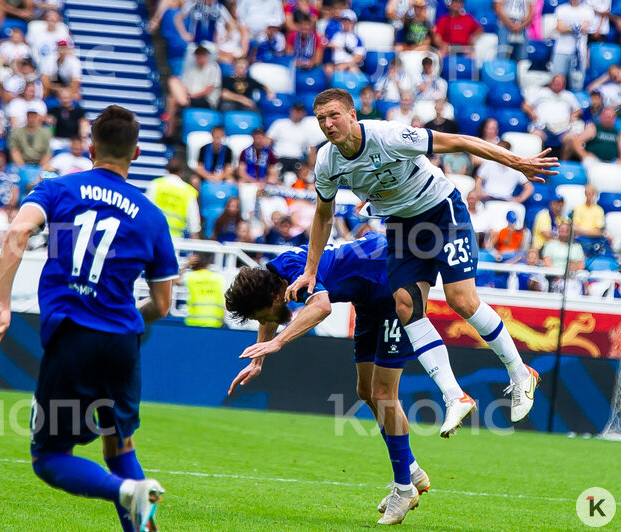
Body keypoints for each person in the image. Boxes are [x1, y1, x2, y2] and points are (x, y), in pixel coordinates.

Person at [291, 90, 553, 483]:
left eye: (333, 116)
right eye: (321, 119)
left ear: (352, 114)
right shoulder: (326, 163)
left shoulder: (389, 135)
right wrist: (311, 271)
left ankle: (520, 373)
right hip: (402, 225)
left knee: (462, 300)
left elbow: (458, 141)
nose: (328, 125)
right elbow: (323, 214)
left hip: (441, 210)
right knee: (406, 307)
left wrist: (516, 162)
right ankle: (455, 396)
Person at [0, 105, 177, 532]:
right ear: (137, 152)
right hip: (122, 341)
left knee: (49, 459)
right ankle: (135, 502)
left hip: (73, 337)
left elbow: (17, 233)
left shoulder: (58, 190)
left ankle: (124, 491)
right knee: (119, 447)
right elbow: (162, 305)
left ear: (90, 149)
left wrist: (1, 302)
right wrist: (130, 324)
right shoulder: (152, 216)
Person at [226, 234, 463, 525]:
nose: (267, 321)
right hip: (367, 301)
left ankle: (404, 488)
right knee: (365, 390)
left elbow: (322, 307)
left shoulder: (296, 275)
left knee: (383, 393)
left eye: (262, 313)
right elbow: (270, 317)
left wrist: (277, 343)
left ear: (273, 297)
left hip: (392, 289)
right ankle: (411, 469)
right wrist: (257, 361)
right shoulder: (275, 275)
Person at [147, 158, 201, 238]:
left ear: (167, 169)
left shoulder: (155, 184)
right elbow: (194, 225)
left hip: (155, 236)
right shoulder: (189, 192)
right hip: (176, 240)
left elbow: (146, 211)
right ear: (181, 171)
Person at [181, 252, 226, 327]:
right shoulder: (218, 278)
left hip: (194, 323)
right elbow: (223, 301)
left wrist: (187, 265)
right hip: (215, 324)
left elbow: (174, 280)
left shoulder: (190, 277)